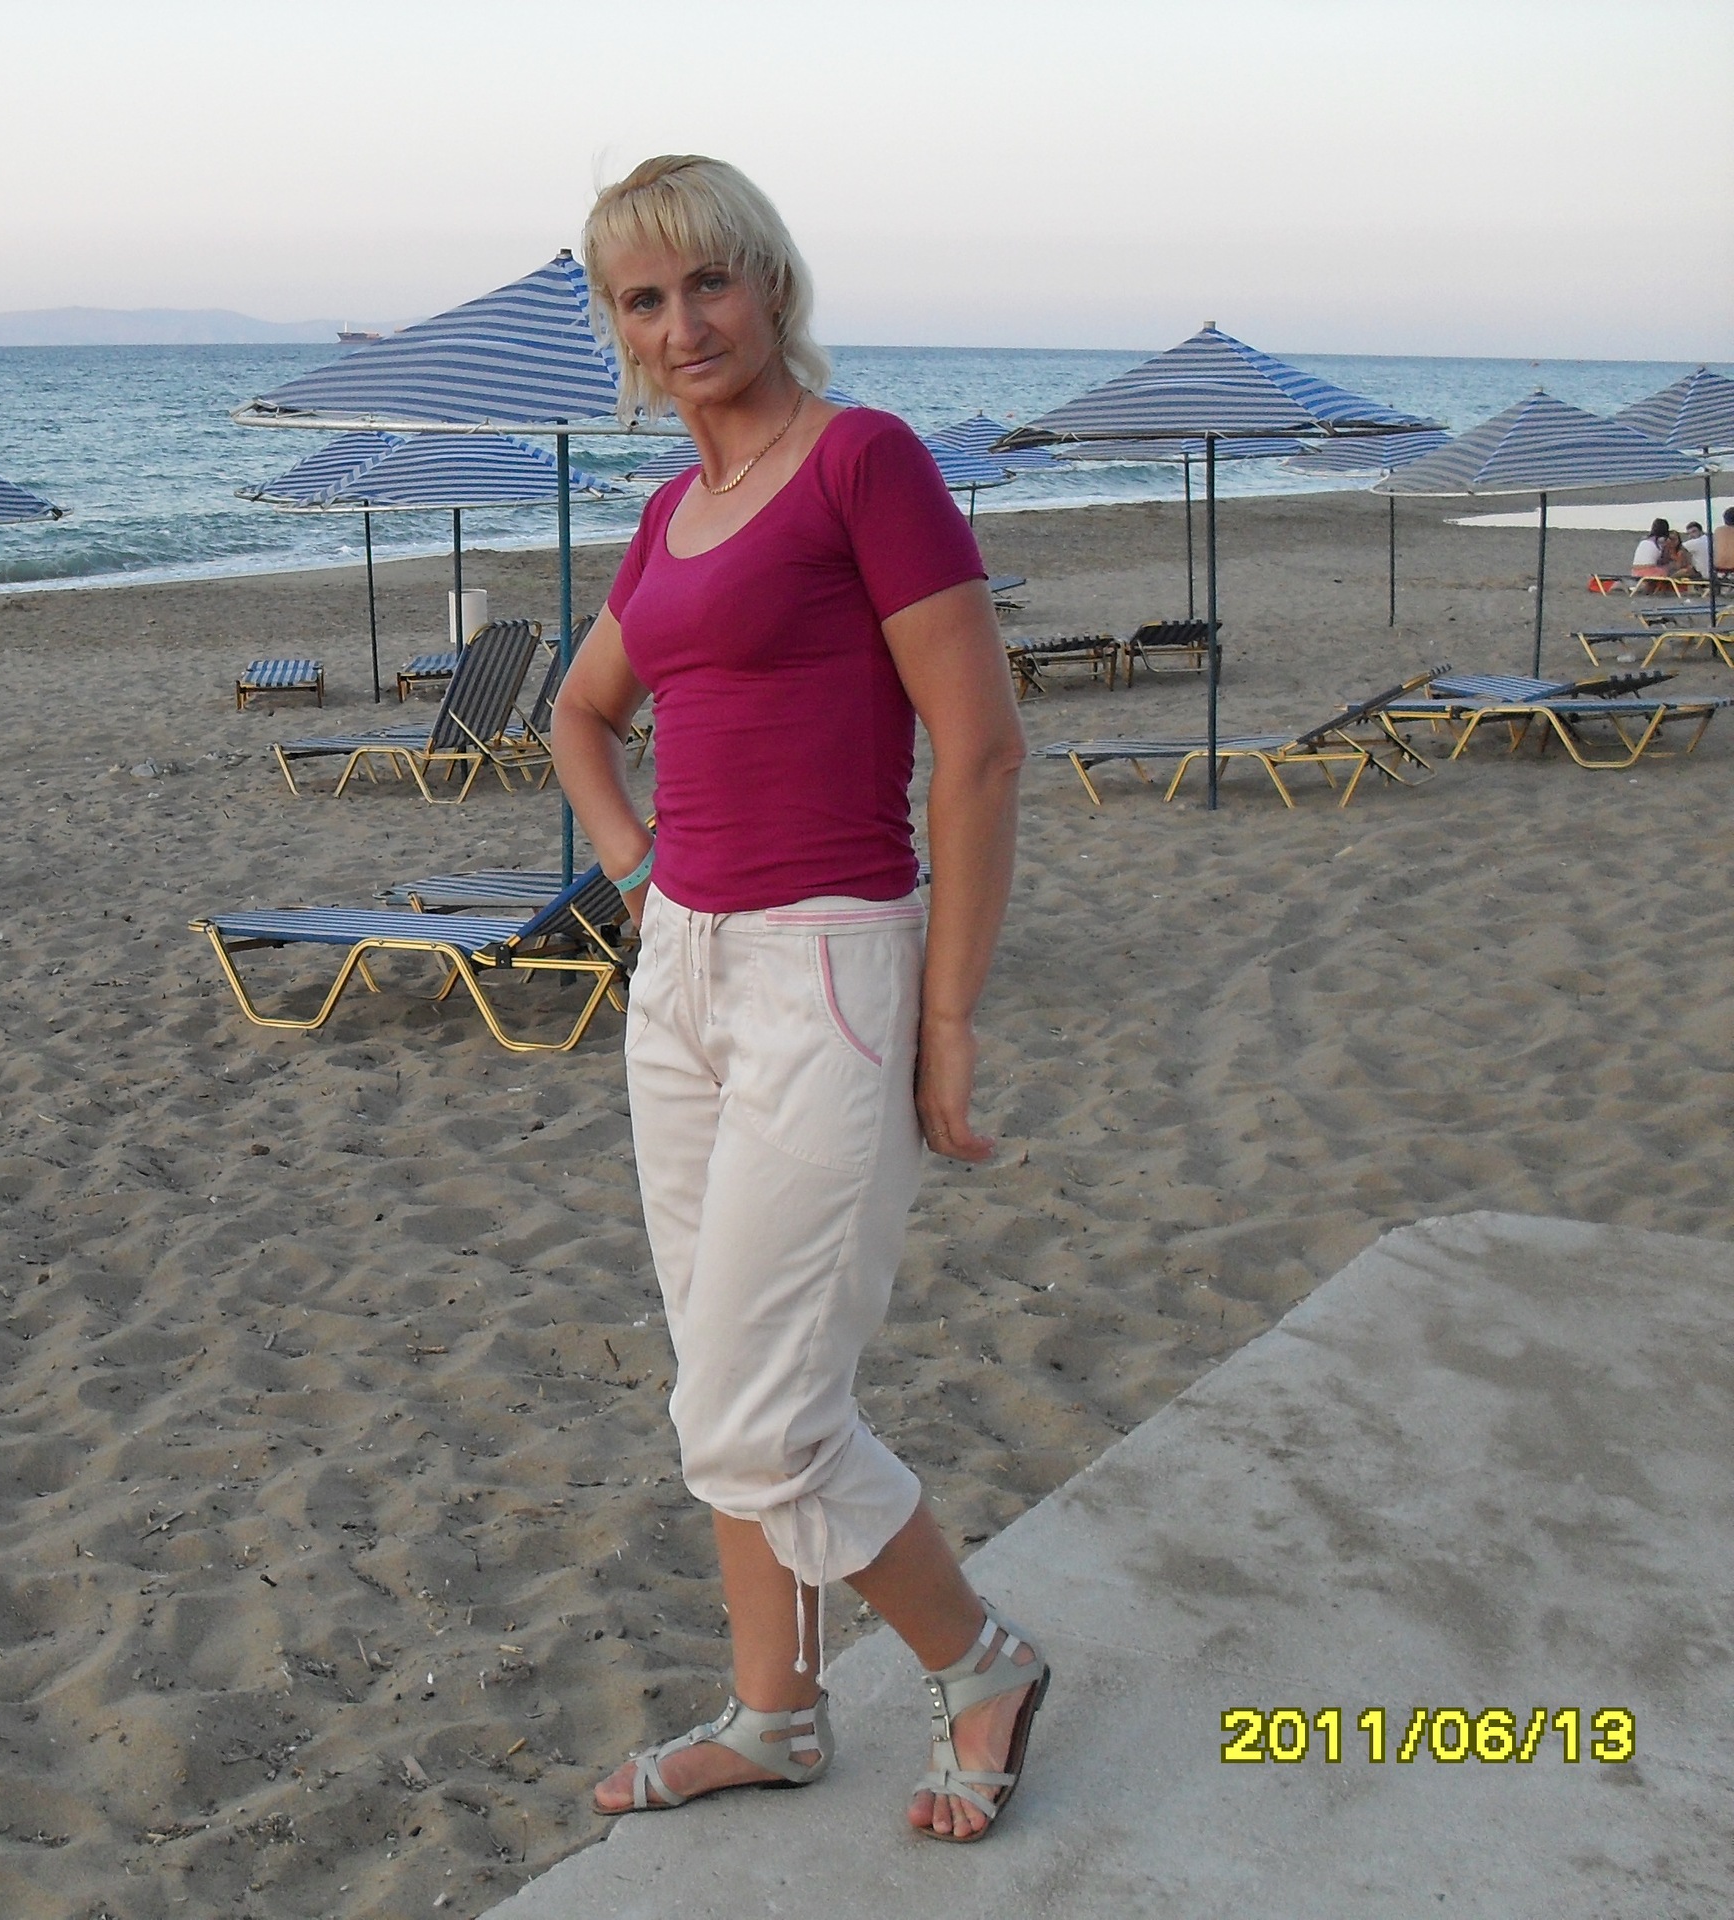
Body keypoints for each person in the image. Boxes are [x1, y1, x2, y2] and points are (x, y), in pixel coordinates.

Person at [551, 154, 1048, 1845]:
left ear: (770, 283)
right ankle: (774, 1712)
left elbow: (980, 753)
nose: (682, 324)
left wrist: (947, 1016)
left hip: (831, 966)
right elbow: (580, 715)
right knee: (723, 1379)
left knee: (750, 1413)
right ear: (618, 328)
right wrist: (639, 874)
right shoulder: (665, 517)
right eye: (643, 299)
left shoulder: (864, 462)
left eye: (710, 282)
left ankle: (978, 1661)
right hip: (682, 975)